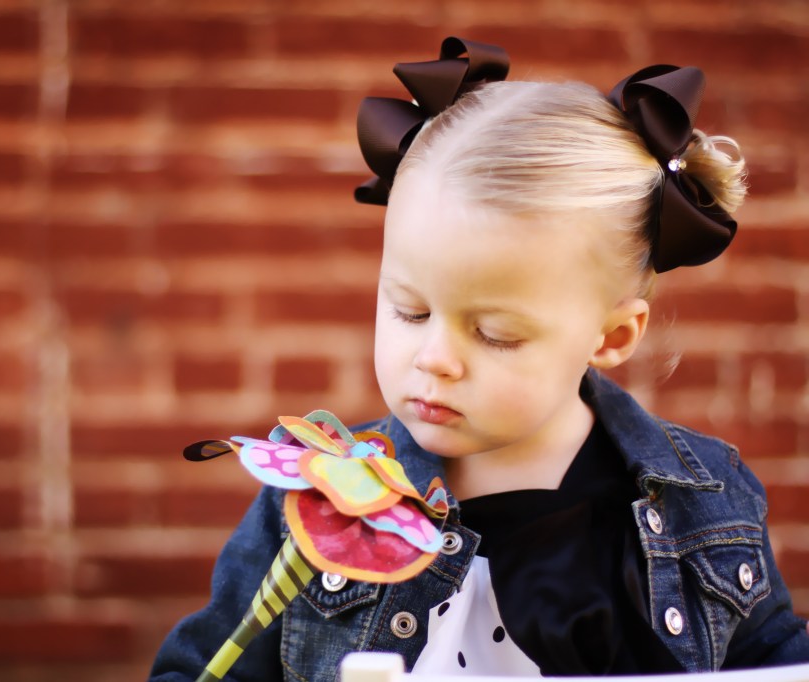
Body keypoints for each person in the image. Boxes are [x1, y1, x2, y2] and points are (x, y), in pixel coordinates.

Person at [150, 37, 809, 680]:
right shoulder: (317, 499)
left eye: (495, 334)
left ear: (610, 337)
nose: (435, 359)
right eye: (409, 311)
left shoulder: (708, 504)